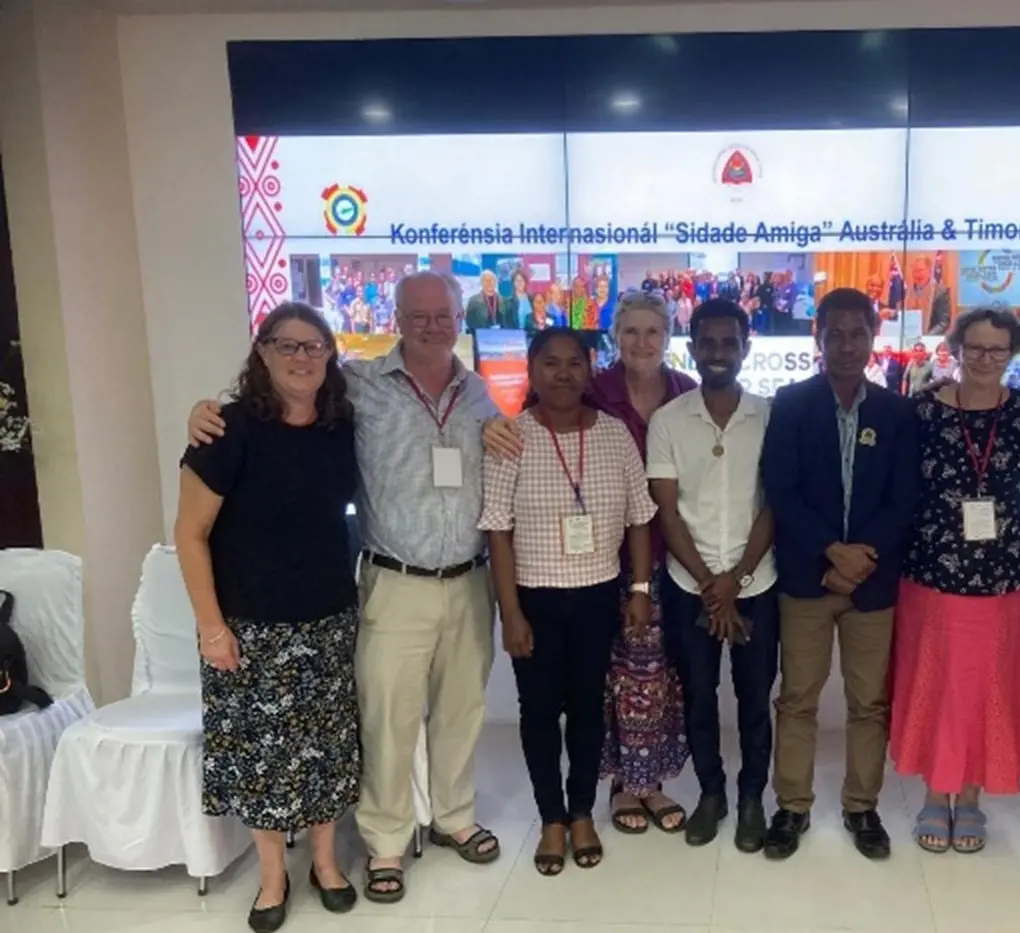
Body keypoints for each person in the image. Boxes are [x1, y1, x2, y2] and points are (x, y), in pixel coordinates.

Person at [186, 272, 502, 904]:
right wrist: (202, 411)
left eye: (443, 315)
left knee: (462, 708)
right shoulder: (357, 387)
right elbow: (277, 403)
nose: (432, 326)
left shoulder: (480, 395)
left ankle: (453, 818)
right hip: (395, 580)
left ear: (459, 320)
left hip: (469, 579)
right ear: (398, 318)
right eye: (419, 316)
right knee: (387, 716)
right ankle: (386, 843)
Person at [174, 302, 359, 931]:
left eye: (314, 347)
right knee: (262, 759)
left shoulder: (341, 425)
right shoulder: (226, 430)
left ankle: (327, 863)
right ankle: (273, 876)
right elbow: (190, 534)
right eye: (288, 346)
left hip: (329, 617)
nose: (302, 358)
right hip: (249, 627)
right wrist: (211, 628)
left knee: (326, 747)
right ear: (263, 352)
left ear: (331, 355)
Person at [484, 290, 692, 835]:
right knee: (554, 707)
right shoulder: (535, 427)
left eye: (574, 362)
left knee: (610, 698)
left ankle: (609, 800)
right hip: (544, 589)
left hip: (624, 581)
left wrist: (642, 589)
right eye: (550, 364)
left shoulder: (651, 412)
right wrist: (511, 612)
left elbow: (640, 516)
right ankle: (565, 811)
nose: (563, 373)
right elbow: (498, 529)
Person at [760, 286, 919, 861]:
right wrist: (832, 552)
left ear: (873, 340)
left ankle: (861, 806)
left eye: (858, 333)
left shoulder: (898, 412)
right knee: (798, 698)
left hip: (872, 585)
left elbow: (906, 497)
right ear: (818, 338)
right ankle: (792, 807)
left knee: (868, 703)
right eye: (836, 333)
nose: (847, 344)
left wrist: (860, 558)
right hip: (808, 579)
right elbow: (782, 489)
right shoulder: (791, 404)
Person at [889, 307, 1020, 856]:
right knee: (940, 685)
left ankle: (972, 798)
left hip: (1006, 575)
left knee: (989, 687)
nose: (984, 360)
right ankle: (937, 793)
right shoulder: (922, 411)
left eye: (997, 351)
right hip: (932, 569)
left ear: (1013, 354)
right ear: (955, 350)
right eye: (974, 349)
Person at [648, 299, 779, 852]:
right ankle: (711, 794)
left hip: (758, 585)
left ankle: (752, 799)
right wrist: (710, 584)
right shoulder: (669, 420)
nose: (719, 353)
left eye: (730, 343)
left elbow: (775, 504)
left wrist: (737, 579)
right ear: (692, 347)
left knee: (754, 700)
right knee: (699, 698)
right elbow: (666, 511)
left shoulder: (771, 416)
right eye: (708, 343)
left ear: (746, 348)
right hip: (688, 588)